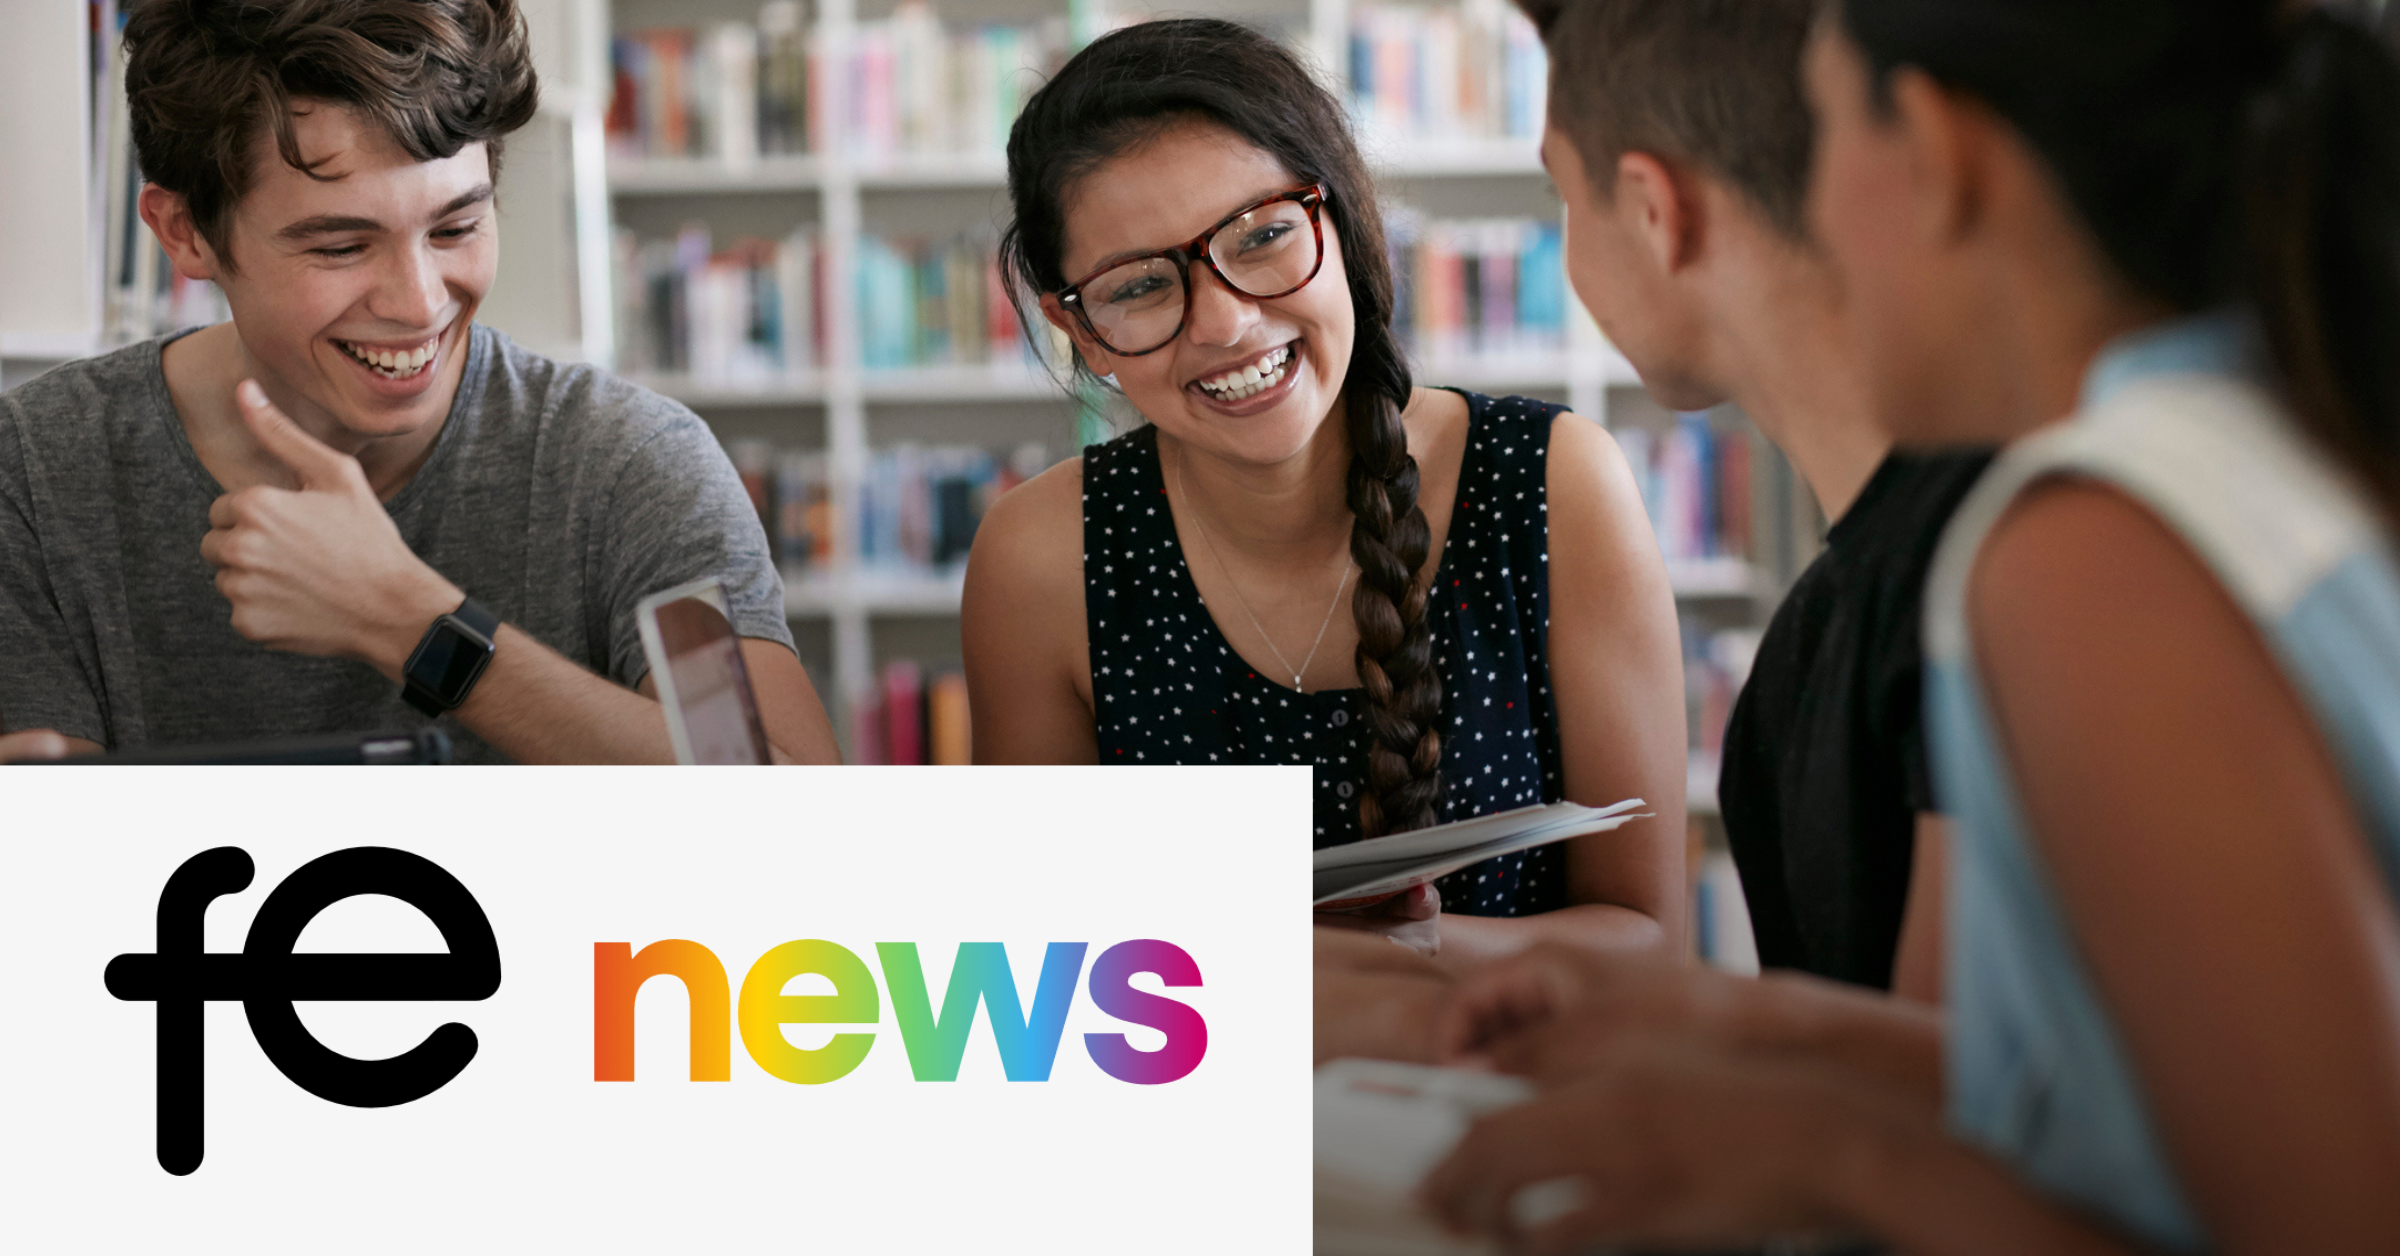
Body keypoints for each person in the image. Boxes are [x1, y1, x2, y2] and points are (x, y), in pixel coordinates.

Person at [1418, 2, 2400, 1252]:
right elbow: (2116, 1110)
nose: (1800, 210)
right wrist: (1746, 1031)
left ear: (1936, 153)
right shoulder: (2256, 426)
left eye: (1819, 136)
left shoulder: (2092, 543)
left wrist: (1826, 1151)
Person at [962, 17, 1690, 964]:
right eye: (1140, 287)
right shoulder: (1038, 559)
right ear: (1082, 331)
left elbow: (1652, 940)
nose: (1225, 323)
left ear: (1341, 219)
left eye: (1262, 236)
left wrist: (1374, 953)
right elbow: (1037, 965)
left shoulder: (1555, 484)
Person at [0, 0, 837, 765]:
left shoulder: (630, 466)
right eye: (339, 247)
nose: (421, 303)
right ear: (184, 233)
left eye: (457, 225)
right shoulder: (38, 474)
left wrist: (408, 620)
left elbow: (782, 824)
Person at [1528, 0, 1992, 998]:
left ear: (1657, 210)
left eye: (1563, 196)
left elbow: (1956, 1109)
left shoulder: (1999, 574)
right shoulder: (1839, 620)